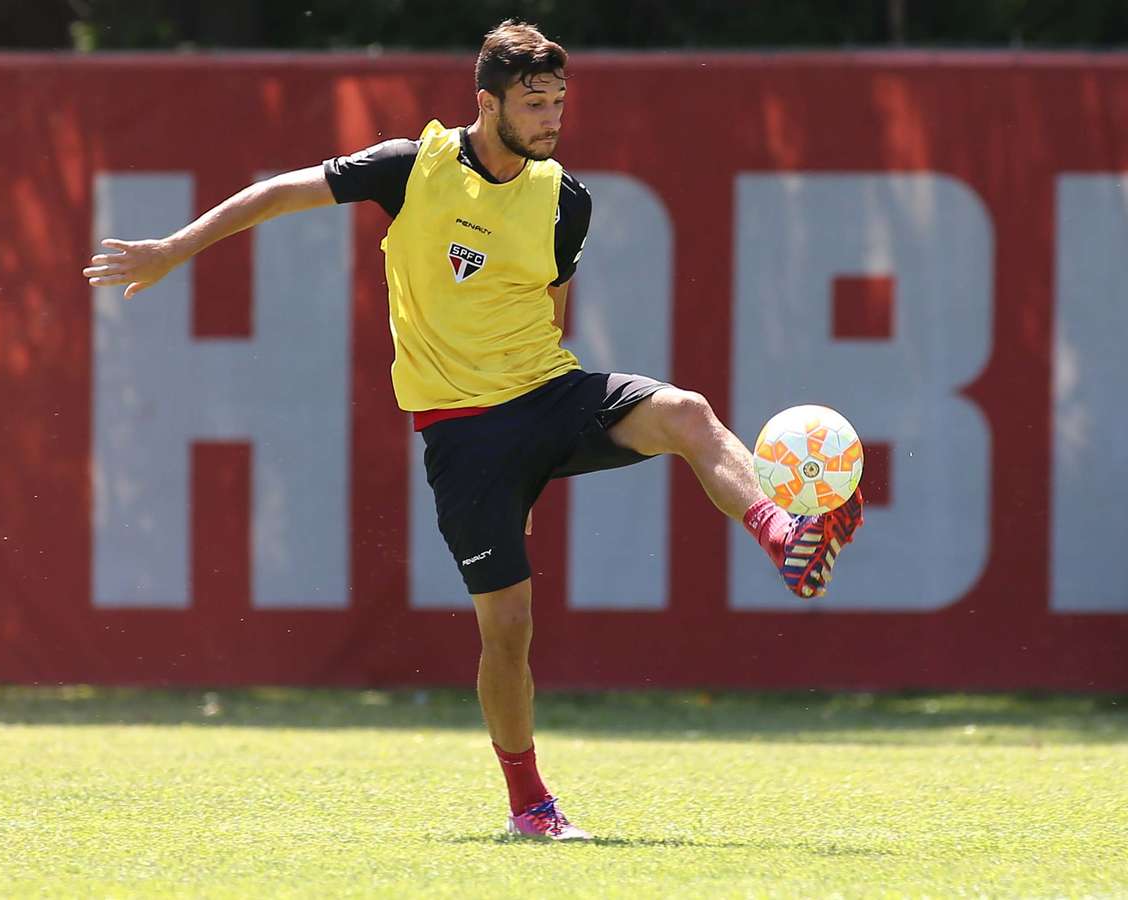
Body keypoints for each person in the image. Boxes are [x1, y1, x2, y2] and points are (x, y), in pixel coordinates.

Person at [84, 20, 864, 842]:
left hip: (547, 392)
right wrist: (175, 248)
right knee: (508, 631)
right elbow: (279, 192)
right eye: (534, 104)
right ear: (488, 103)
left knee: (686, 412)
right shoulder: (410, 168)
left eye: (558, 101)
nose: (552, 119)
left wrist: (546, 436)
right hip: (465, 438)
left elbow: (552, 310)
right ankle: (530, 804)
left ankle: (785, 536)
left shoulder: (565, 198)